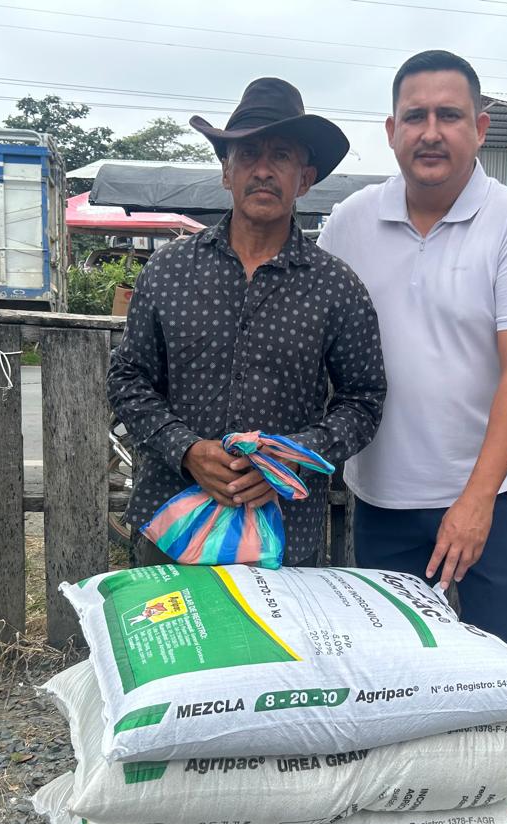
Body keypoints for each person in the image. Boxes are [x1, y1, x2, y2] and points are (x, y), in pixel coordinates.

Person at [318, 50, 507, 657]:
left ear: (480, 128)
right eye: (415, 116)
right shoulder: (349, 223)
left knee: (498, 665)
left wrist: (476, 501)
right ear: (391, 130)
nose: (430, 132)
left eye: (449, 115)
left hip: (490, 496)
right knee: (393, 667)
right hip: (382, 495)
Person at [108, 78, 387, 568]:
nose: (262, 170)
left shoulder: (336, 286)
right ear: (226, 171)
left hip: (282, 536)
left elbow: (363, 401)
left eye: (281, 155)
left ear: (304, 178)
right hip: (172, 525)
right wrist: (187, 449)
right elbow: (127, 378)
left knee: (279, 627)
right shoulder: (169, 270)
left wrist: (290, 458)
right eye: (248, 154)